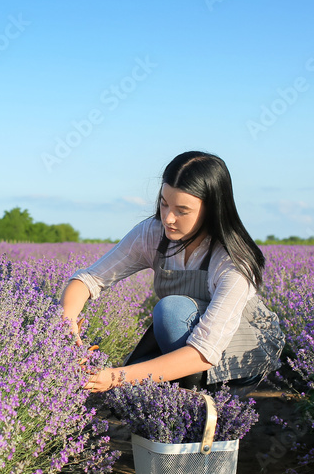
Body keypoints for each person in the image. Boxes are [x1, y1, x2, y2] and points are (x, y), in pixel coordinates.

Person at [60, 151, 284, 395]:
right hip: (186, 338)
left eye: (182, 210)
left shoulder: (232, 261)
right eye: (164, 203)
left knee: (171, 312)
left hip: (244, 349)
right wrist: (67, 324)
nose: (168, 218)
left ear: (212, 209)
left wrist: (116, 377)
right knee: (128, 396)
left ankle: (206, 400)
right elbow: (89, 279)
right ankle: (179, 397)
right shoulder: (153, 233)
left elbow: (204, 352)